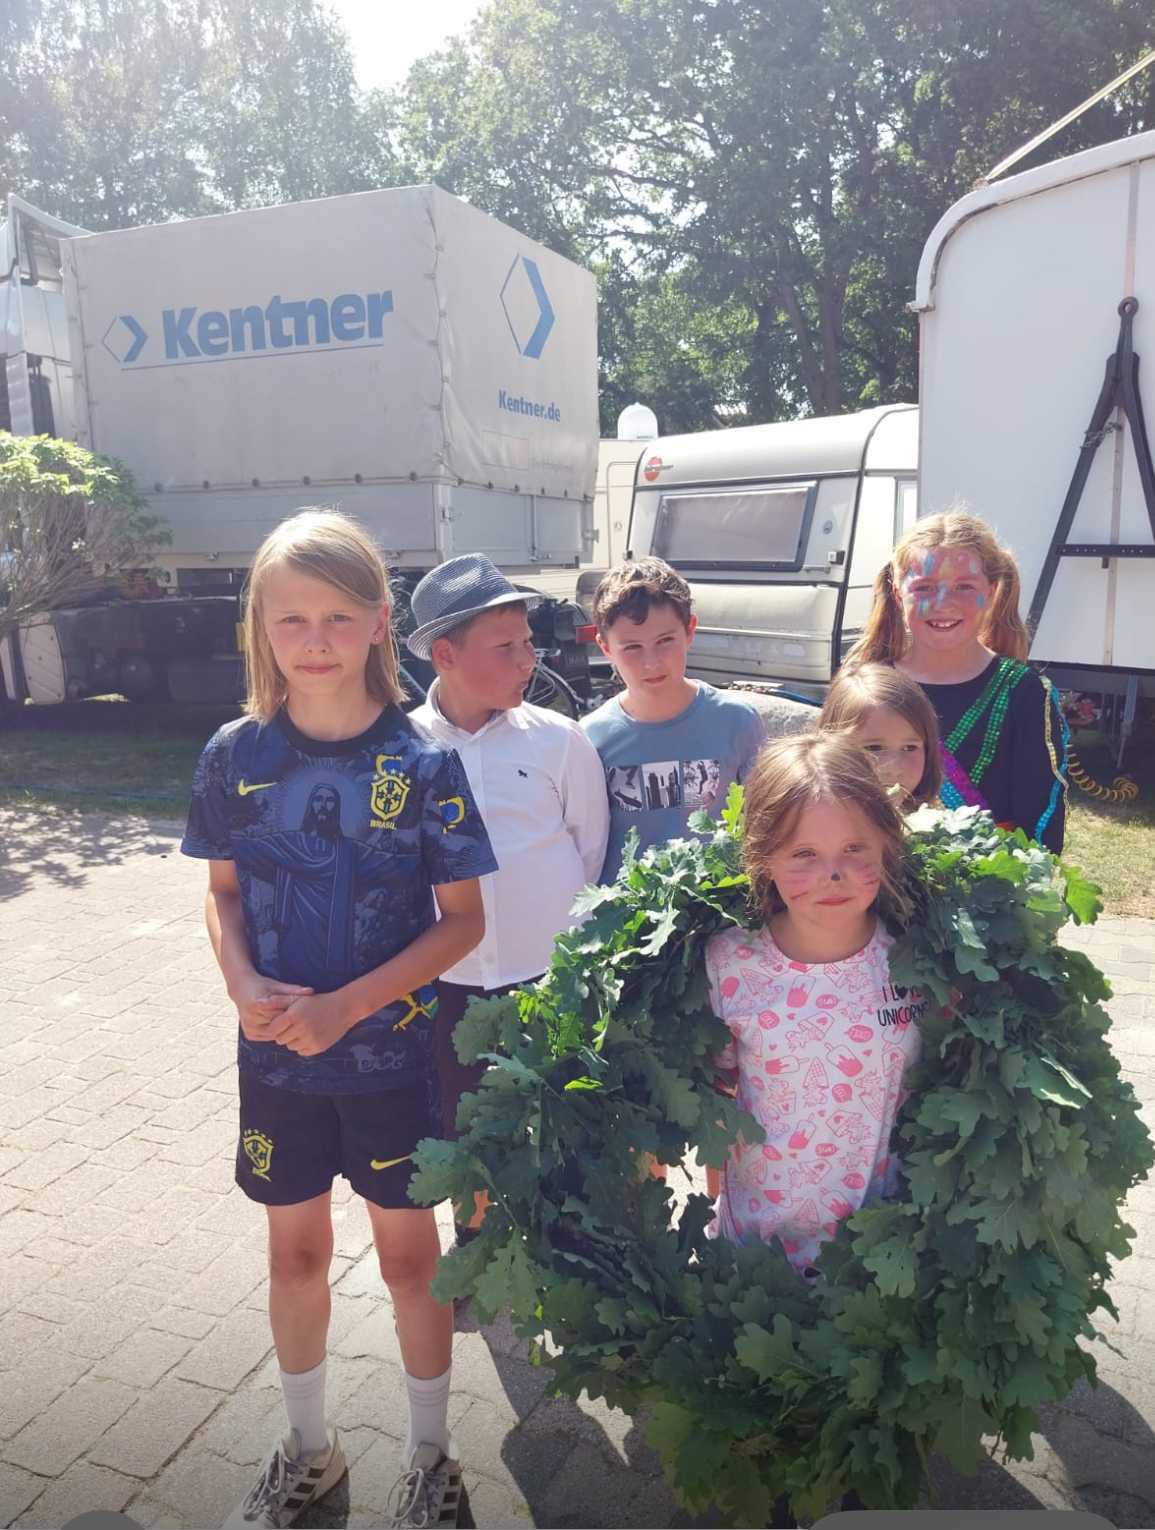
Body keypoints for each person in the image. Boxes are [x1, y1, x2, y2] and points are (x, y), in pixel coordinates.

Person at [181, 510, 497, 1530]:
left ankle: (433, 1455)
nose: (314, 641)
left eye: (337, 617)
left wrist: (347, 1007)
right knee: (295, 1258)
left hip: (392, 1065)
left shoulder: (423, 762)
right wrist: (240, 980)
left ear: (377, 623)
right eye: (291, 619)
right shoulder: (233, 755)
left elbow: (462, 923)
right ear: (259, 629)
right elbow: (222, 895)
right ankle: (309, 1449)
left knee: (409, 1264)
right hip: (278, 1067)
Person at [406, 554, 609, 1245]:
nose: (529, 660)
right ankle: (478, 1255)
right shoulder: (400, 750)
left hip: (548, 985)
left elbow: (587, 851)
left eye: (528, 642)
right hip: (447, 990)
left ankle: (568, 1255)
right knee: (465, 1138)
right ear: (445, 655)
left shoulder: (558, 741)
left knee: (560, 1133)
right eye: (506, 647)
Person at [705, 733, 926, 1265]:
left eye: (855, 849)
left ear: (885, 844)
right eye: (804, 853)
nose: (833, 874)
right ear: (763, 856)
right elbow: (712, 1088)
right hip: (755, 1252)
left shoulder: (917, 962)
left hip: (873, 1255)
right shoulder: (728, 963)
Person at [843, 510, 1068, 852]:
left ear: (991, 592)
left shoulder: (1024, 692)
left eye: (964, 587)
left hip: (986, 878)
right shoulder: (865, 686)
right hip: (874, 874)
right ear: (899, 594)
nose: (943, 604)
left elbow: (1041, 822)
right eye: (924, 587)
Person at [582, 557, 766, 882]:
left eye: (665, 641)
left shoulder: (737, 722)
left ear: (690, 630)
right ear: (605, 647)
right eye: (632, 647)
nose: (651, 662)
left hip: (718, 906)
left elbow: (766, 825)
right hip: (628, 910)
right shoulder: (589, 739)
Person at [817, 663, 943, 809]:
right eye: (874, 748)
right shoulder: (813, 817)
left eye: (910, 747)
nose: (894, 768)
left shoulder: (932, 819)